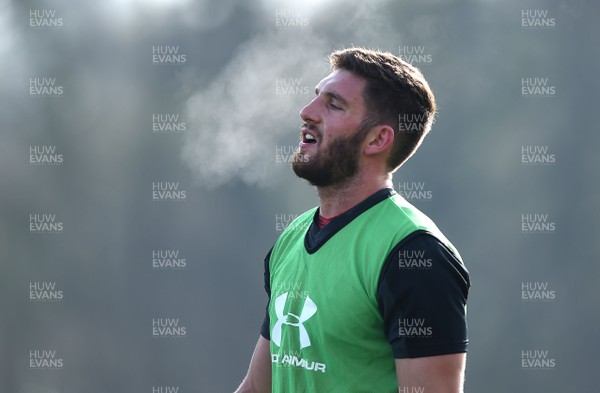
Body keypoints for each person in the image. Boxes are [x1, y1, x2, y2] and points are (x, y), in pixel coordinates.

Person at [234, 47, 470, 393]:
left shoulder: (415, 255)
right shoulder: (292, 238)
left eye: (333, 104)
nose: (306, 112)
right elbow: (258, 388)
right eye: (316, 98)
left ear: (377, 139)